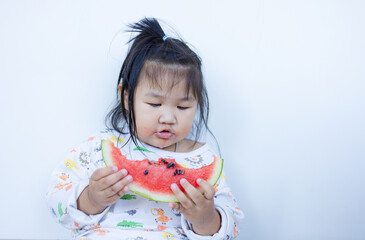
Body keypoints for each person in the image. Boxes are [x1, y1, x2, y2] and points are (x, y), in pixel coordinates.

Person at [46, 17, 243, 240]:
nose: (168, 117)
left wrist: (206, 218)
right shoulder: (98, 148)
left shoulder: (203, 159)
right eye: (155, 104)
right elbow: (56, 201)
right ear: (127, 98)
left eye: (182, 106)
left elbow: (231, 228)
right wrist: (92, 198)